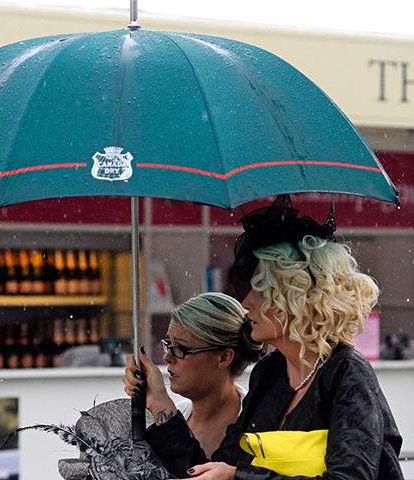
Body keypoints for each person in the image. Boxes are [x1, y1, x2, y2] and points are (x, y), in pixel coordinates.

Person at [123, 195, 404, 479]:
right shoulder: (269, 373)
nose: (246, 303)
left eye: (260, 290)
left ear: (296, 298)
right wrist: (159, 401)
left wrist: (238, 477)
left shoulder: (347, 374)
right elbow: (212, 470)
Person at [124, 292, 263, 457]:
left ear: (224, 357)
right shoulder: (160, 422)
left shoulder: (258, 432)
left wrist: (160, 403)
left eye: (181, 349)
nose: (167, 357)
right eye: (169, 344)